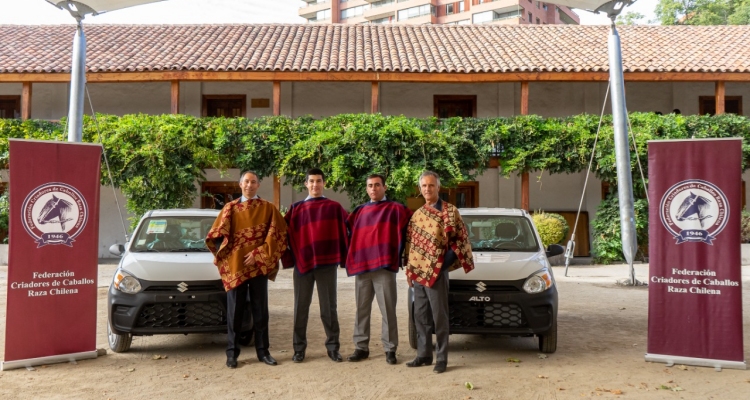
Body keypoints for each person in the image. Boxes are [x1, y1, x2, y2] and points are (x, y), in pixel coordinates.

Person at [206, 170, 287, 369]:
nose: (250, 185)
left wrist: (259, 254)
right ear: (240, 184)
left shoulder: (268, 208)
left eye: (253, 182)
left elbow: (279, 233)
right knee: (235, 312)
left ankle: (263, 352)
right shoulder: (230, 208)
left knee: (261, 311)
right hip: (236, 267)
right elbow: (215, 236)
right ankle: (232, 354)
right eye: (246, 182)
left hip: (258, 267)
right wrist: (229, 254)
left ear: (258, 185)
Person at [403, 171, 474, 374]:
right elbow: (411, 246)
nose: (427, 189)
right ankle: (424, 355)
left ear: (438, 187)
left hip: (437, 274)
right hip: (418, 273)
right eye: (424, 186)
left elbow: (459, 241)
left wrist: (441, 266)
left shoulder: (450, 212)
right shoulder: (417, 215)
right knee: (420, 315)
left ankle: (441, 358)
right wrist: (410, 270)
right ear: (420, 189)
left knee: (439, 316)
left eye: (431, 185)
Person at [282, 168, 349, 363]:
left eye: (318, 181)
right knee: (300, 308)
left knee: (329, 308)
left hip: (327, 264)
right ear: (306, 184)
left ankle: (333, 347)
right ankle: (299, 349)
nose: (315, 185)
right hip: (303, 265)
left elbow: (352, 227)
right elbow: (281, 232)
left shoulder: (334, 208)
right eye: (311, 181)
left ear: (324, 183)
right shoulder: (296, 209)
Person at [345, 174, 412, 365]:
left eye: (377, 185)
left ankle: (390, 349)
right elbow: (348, 234)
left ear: (384, 187)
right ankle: (361, 347)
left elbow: (413, 227)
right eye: (370, 186)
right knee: (361, 310)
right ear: (366, 189)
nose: (373, 189)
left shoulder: (396, 210)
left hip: (384, 267)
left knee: (388, 310)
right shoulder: (359, 212)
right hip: (363, 267)